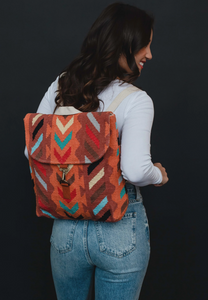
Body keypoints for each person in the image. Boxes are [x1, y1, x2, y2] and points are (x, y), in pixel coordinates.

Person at [24, 2, 168, 299]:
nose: (149, 55)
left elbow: (31, 152)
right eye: (145, 46)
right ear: (124, 44)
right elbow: (135, 170)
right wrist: (158, 175)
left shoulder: (61, 86)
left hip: (66, 226)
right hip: (119, 227)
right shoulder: (137, 100)